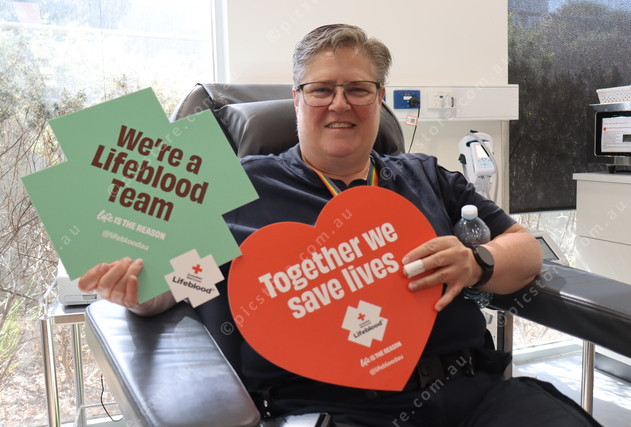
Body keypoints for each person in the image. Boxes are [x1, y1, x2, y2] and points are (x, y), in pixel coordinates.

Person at [79, 24, 601, 427]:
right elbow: (183, 280)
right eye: (321, 89)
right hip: (327, 407)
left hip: (469, 397)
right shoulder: (237, 190)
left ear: (380, 97)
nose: (339, 104)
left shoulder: (424, 176)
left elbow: (523, 247)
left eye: (358, 89)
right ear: (296, 98)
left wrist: (476, 262)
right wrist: (137, 290)